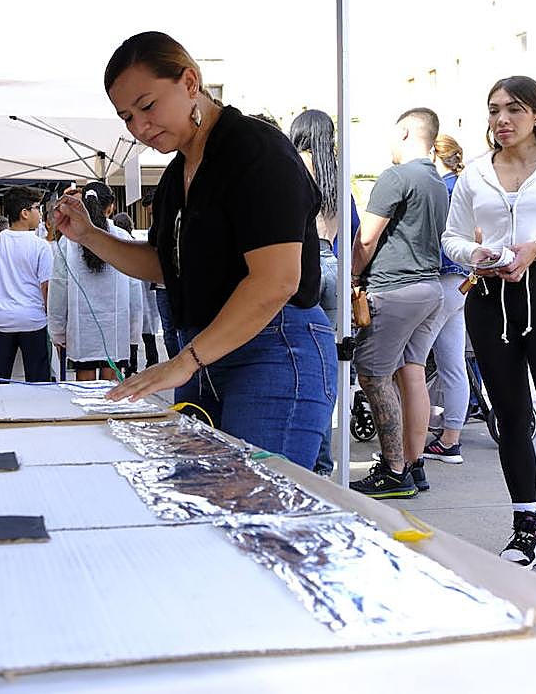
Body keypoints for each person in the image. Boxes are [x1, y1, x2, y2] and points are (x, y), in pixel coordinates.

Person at [53, 31, 335, 469]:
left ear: (189, 82)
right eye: (126, 116)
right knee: (206, 499)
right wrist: (91, 236)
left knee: (257, 506)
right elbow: (167, 266)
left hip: (273, 349)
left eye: (147, 106)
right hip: (205, 351)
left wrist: (184, 362)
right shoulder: (175, 177)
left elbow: (277, 280)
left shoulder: (255, 150)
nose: (139, 127)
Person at [443, 76, 536, 592]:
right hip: (488, 302)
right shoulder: (476, 174)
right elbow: (453, 237)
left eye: (513, 109)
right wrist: (473, 255)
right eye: (493, 110)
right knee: (510, 420)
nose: (501, 119)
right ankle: (529, 529)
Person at [349, 108, 448, 499]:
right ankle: (412, 462)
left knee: (373, 375)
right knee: (411, 373)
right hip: (429, 288)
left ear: (406, 132)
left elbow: (367, 239)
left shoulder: (397, 176)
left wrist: (353, 277)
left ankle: (393, 472)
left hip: (394, 290)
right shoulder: (436, 181)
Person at [287, 109, 361, 476]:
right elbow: (354, 232)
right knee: (328, 366)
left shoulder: (290, 165)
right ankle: (324, 462)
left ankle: (311, 457)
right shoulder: (338, 172)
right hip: (334, 263)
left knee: (301, 363)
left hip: (302, 264)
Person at [49, 181, 142, 381]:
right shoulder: (123, 237)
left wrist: (57, 330)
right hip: (116, 326)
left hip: (82, 327)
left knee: (84, 385)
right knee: (111, 385)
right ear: (111, 207)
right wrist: (134, 332)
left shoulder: (69, 240)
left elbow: (58, 286)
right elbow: (135, 288)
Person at [423, 134, 472, 464]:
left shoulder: (443, 187)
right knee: (453, 363)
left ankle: (410, 437)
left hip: (442, 277)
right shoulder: (464, 184)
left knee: (410, 359)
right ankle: (450, 437)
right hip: (461, 280)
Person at [0, 186, 54, 382]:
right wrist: (49, 312)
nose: (40, 213)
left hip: (1, 320)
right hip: (33, 320)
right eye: (37, 208)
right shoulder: (41, 245)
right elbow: (46, 285)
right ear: (24, 213)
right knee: (39, 382)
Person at [113, 211, 159, 371]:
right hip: (145, 300)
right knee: (146, 330)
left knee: (135, 331)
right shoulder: (139, 248)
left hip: (135, 301)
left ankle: (133, 363)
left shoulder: (121, 251)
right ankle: (151, 360)